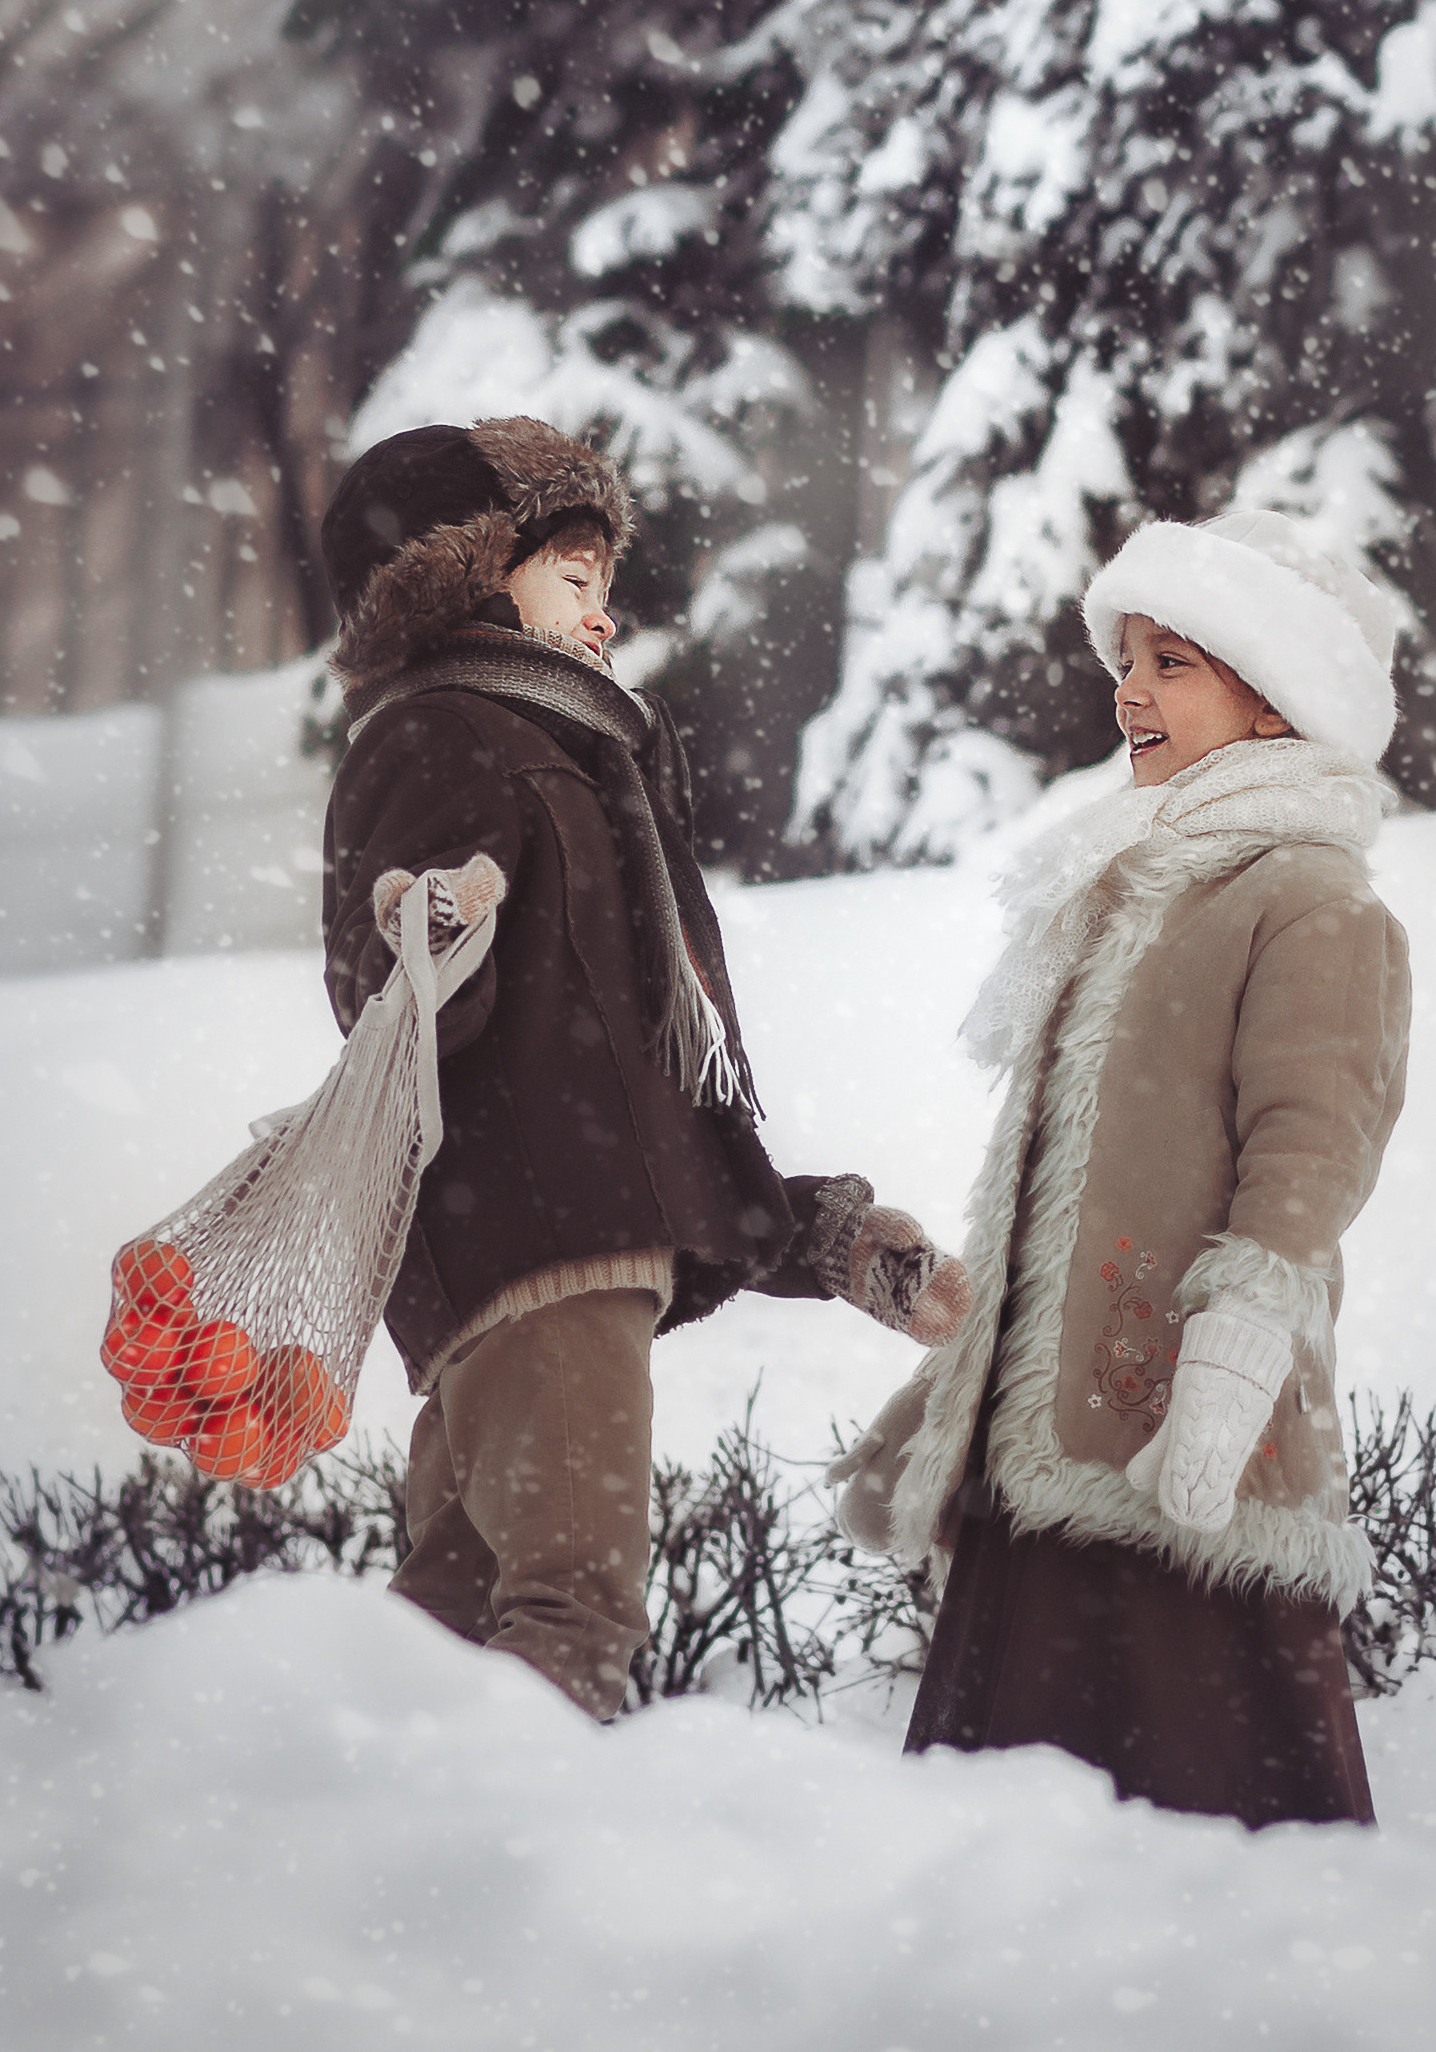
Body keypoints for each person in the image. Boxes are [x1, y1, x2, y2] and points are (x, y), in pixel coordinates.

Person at [320, 414, 967, 1719]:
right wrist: (428, 940)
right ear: (464, 575)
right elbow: (387, 1003)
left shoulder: (560, 746)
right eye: (575, 580)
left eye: (607, 587)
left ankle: (377, 1851)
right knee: (571, 1608)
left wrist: (823, 1238)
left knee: (450, 1621)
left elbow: (631, 1099)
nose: (606, 619)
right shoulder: (446, 731)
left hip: (539, 1245)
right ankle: (527, 1875)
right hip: (525, 1247)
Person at [832, 508, 1410, 1824]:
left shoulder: (1311, 898)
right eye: (1127, 660)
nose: (1128, 690)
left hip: (1183, 1433)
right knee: (1004, 1846)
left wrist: (1230, 1367)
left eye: (1173, 663)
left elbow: (1311, 1149)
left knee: (1210, 1802)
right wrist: (969, 1383)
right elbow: (1065, 1181)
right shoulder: (1132, 885)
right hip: (1052, 1450)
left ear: (1275, 706)